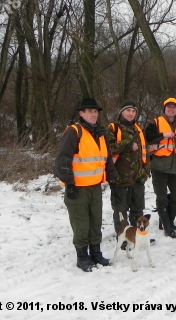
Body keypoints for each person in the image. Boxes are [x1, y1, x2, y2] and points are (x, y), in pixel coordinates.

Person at [54, 97, 118, 272]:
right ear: (81, 113)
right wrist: (69, 182)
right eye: (89, 111)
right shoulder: (74, 132)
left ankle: (96, 254)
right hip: (78, 188)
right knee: (81, 223)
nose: (93, 114)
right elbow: (62, 159)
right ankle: (82, 257)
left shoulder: (100, 133)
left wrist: (113, 181)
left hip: (95, 187)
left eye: (95, 111)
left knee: (95, 222)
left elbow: (107, 161)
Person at [145, 97, 176, 238]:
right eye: (168, 107)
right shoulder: (155, 123)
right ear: (164, 109)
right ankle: (167, 228)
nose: (171, 109)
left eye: (174, 107)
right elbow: (148, 137)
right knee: (162, 199)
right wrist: (163, 135)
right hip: (159, 167)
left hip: (175, 168)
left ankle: (169, 224)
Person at [108, 100, 149, 243]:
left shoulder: (138, 130)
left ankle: (137, 238)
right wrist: (128, 144)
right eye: (128, 111)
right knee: (121, 213)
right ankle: (123, 239)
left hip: (138, 179)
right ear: (121, 112)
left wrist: (145, 172)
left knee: (138, 211)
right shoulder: (113, 128)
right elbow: (107, 150)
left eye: (133, 111)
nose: (131, 113)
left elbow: (145, 152)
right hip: (120, 179)